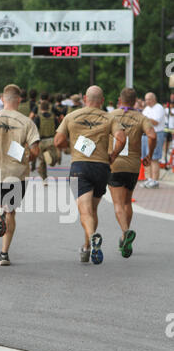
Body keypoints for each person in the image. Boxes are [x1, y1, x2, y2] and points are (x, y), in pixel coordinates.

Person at [54, 85, 126, 265]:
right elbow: (122, 138)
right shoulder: (110, 118)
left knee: (85, 212)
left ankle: (93, 237)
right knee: (92, 210)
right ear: (102, 101)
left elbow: (58, 141)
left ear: (85, 99)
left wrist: (68, 147)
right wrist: (113, 155)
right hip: (102, 167)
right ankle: (87, 247)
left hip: (80, 167)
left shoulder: (71, 116)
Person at [0, 84, 40, 266]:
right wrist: (26, 157)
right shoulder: (27, 122)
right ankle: (4, 254)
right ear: (19, 100)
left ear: (2, 100)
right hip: (16, 174)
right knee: (11, 211)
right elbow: (35, 150)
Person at [108, 88, 156, 258]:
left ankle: (125, 231)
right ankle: (123, 238)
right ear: (135, 100)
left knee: (118, 204)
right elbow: (152, 135)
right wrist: (148, 155)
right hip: (134, 166)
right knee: (128, 202)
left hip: (115, 163)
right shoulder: (141, 117)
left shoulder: (111, 115)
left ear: (120, 99)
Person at [141, 92, 165, 188]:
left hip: (156, 134)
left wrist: (144, 118)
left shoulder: (159, 108)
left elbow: (155, 122)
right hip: (145, 134)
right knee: (146, 157)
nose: (147, 101)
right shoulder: (146, 109)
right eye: (146, 99)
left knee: (154, 158)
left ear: (154, 99)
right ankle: (148, 179)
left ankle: (155, 180)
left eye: (149, 99)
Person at [33, 101, 60, 184]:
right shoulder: (54, 117)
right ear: (49, 108)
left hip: (41, 141)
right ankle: (44, 170)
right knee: (52, 160)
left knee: (42, 161)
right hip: (51, 141)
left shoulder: (37, 118)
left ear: (40, 108)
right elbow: (58, 129)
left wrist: (34, 143)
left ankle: (44, 178)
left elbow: (35, 130)